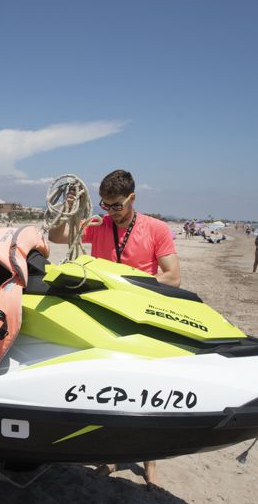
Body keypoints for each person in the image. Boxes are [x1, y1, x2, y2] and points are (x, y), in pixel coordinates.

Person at [49, 169, 180, 487]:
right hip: (106, 318)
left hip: (144, 318)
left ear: (132, 198)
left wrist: (130, 286)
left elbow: (173, 276)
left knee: (147, 392)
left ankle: (150, 461)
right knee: (109, 390)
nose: (110, 212)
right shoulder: (98, 225)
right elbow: (55, 237)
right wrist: (68, 210)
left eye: (117, 205)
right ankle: (109, 455)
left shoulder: (156, 229)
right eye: (105, 205)